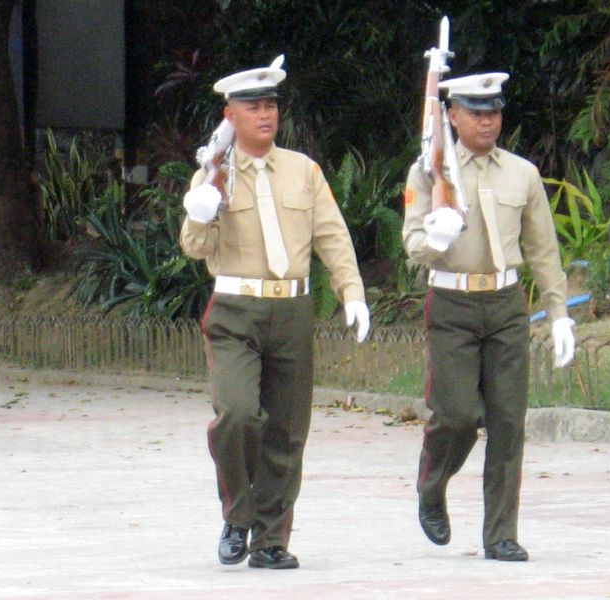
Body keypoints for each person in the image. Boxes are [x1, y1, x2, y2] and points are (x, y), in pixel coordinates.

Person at [179, 57, 370, 570]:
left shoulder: (303, 170)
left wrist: (351, 291)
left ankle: (270, 540)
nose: (264, 114)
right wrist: (201, 210)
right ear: (230, 114)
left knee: (287, 430)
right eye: (252, 106)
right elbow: (194, 246)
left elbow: (331, 234)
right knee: (238, 414)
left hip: (292, 308)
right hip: (236, 308)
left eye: (270, 105)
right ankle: (237, 514)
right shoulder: (214, 170)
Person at [402, 71, 576, 562]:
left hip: (505, 304)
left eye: (494, 112)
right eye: (476, 113)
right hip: (453, 302)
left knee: (507, 421)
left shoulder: (522, 173)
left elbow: (543, 249)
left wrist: (559, 312)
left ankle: (500, 532)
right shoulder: (429, 171)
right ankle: (432, 483)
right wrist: (435, 239)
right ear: (451, 116)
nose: (487, 121)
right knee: (456, 416)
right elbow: (412, 243)